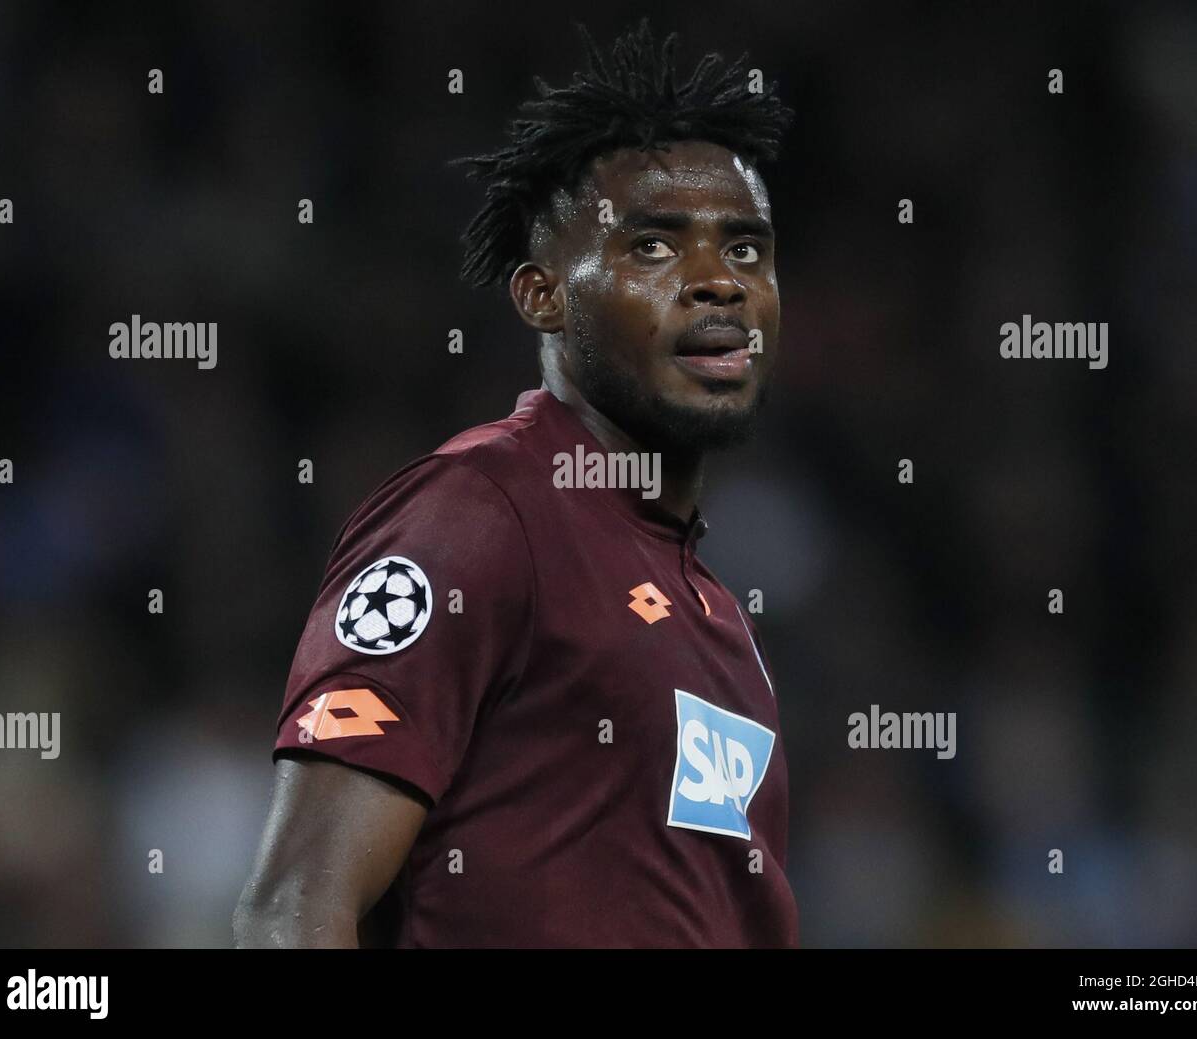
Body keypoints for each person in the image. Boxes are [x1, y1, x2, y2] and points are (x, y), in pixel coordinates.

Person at [234, 17, 797, 948]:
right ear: (542, 295)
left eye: (746, 249)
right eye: (653, 247)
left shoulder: (720, 619)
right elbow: (294, 906)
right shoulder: (477, 514)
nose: (718, 283)